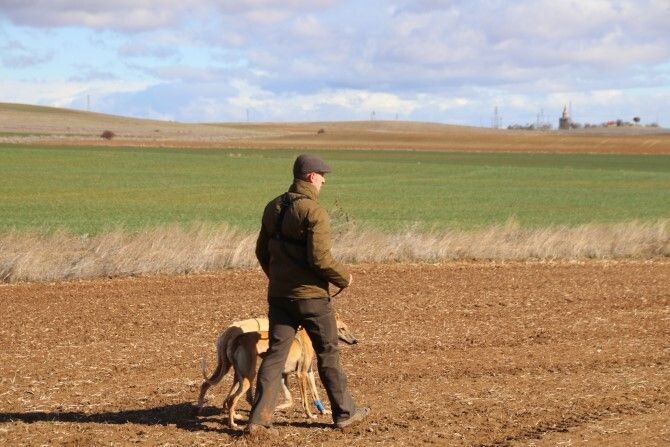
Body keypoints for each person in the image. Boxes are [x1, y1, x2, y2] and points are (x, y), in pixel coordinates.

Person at [245, 153, 369, 436]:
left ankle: (258, 421)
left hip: (280, 297)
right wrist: (344, 277)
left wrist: (277, 279)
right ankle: (345, 413)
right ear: (312, 177)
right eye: (322, 176)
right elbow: (320, 259)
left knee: (275, 355)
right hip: (312, 299)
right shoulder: (314, 211)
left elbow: (261, 251)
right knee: (328, 353)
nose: (324, 181)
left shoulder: (273, 207)